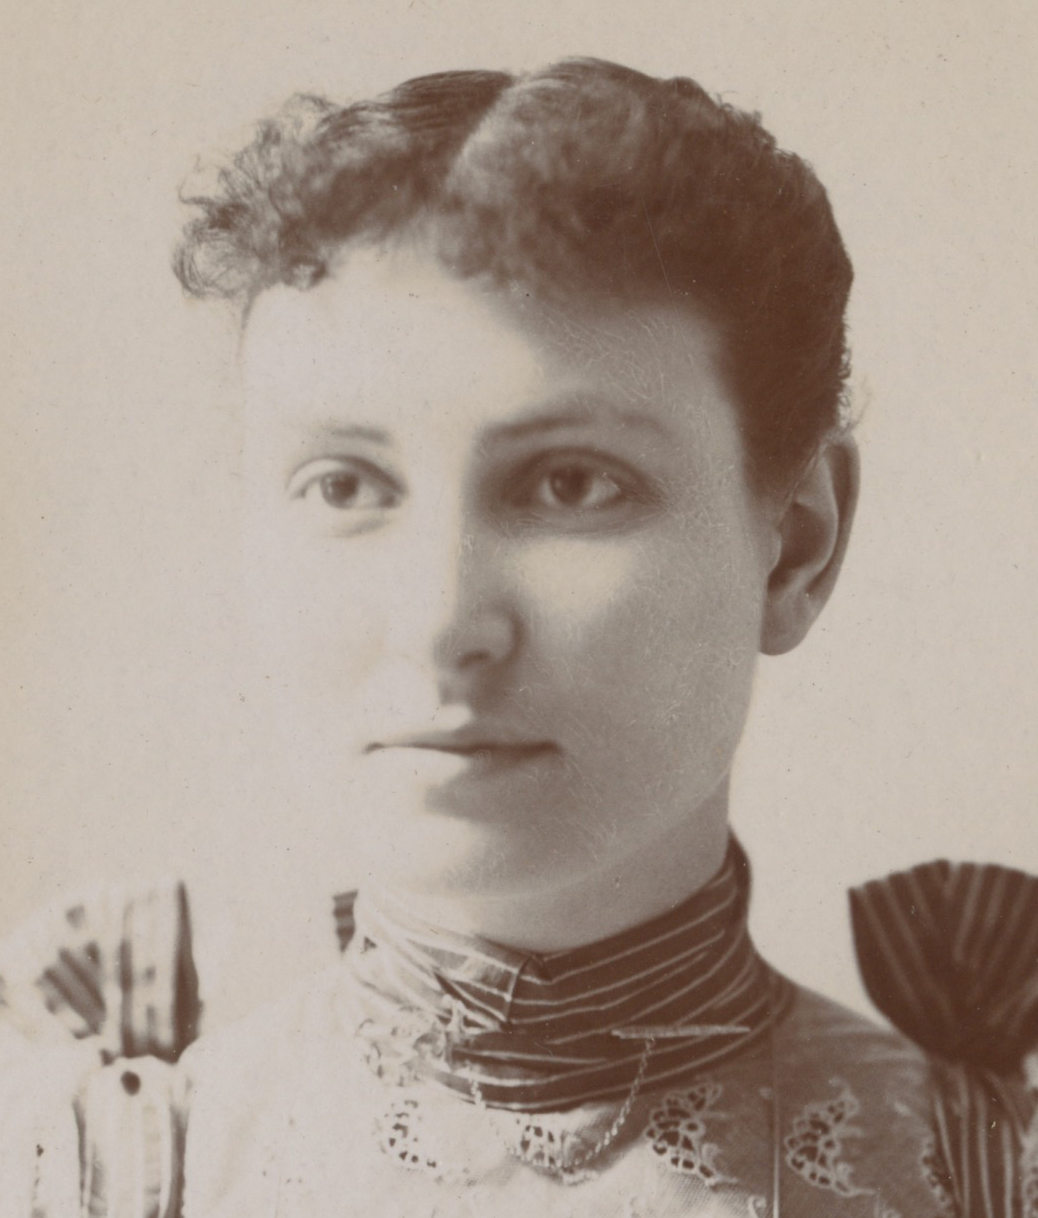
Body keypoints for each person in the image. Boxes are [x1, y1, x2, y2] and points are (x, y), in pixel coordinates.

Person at [2, 56, 1035, 1217]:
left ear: (795, 546)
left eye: (571, 484)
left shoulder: (985, 1176)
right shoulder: (103, 1176)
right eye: (345, 485)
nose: (443, 622)